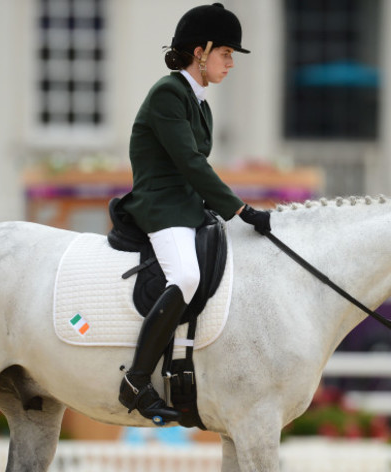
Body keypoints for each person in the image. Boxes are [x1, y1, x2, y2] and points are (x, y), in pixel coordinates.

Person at [117, 3, 271, 424]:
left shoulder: (199, 103)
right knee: (186, 276)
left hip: (187, 207)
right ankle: (136, 380)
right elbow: (189, 162)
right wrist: (238, 209)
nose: (231, 63)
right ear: (200, 51)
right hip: (161, 206)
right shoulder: (169, 93)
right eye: (226, 53)